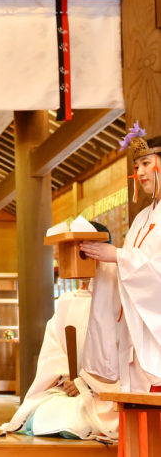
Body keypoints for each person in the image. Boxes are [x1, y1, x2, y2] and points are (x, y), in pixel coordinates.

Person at [0, 222, 119, 441]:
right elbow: (54, 352)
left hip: (107, 395)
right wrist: (68, 378)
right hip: (69, 390)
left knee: (75, 421)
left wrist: (86, 382)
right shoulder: (67, 302)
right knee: (39, 416)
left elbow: (124, 353)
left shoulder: (120, 298)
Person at [81, 123, 161, 393]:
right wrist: (104, 262)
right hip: (136, 327)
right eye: (136, 167)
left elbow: (157, 268)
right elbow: (131, 264)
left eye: (146, 163)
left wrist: (118, 256)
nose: (139, 173)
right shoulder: (141, 218)